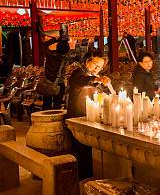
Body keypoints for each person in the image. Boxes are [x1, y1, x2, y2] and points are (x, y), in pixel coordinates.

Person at [66, 49, 110, 180]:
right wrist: (97, 78)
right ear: (87, 61)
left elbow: (102, 91)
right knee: (80, 153)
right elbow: (83, 81)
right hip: (76, 118)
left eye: (100, 67)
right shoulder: (78, 74)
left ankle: (89, 179)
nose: (97, 69)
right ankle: (80, 182)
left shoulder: (93, 77)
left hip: (90, 118)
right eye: (95, 65)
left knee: (89, 153)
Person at [42, 31, 70, 110]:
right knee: (57, 105)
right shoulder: (66, 58)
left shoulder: (50, 56)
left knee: (46, 104)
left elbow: (44, 45)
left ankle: (44, 120)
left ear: (57, 47)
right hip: (59, 83)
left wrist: (55, 40)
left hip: (48, 82)